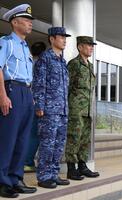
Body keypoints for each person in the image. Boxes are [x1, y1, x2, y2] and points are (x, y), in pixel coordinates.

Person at [0, 4, 37, 198]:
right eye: (26, 20)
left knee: (22, 140)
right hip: (11, 90)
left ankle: (16, 178)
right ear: (15, 22)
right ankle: (2, 182)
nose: (30, 23)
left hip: (25, 93)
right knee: (8, 139)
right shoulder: (6, 42)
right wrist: (2, 95)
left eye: (31, 21)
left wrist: (30, 96)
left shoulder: (25, 47)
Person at [32, 27, 71, 188]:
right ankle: (44, 176)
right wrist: (39, 105)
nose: (64, 40)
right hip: (48, 109)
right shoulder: (45, 58)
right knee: (47, 143)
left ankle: (54, 173)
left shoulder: (62, 61)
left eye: (65, 37)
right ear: (52, 39)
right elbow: (39, 84)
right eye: (61, 37)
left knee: (59, 143)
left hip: (62, 110)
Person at [65, 36, 99, 180]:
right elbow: (67, 86)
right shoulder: (74, 64)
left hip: (88, 108)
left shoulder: (90, 65)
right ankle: (71, 169)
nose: (91, 47)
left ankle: (82, 166)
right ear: (80, 47)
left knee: (85, 138)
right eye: (88, 45)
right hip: (75, 108)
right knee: (74, 137)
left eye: (92, 45)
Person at [24, 42, 47, 173]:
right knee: (35, 135)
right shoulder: (40, 64)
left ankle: (27, 161)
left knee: (31, 134)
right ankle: (27, 161)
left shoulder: (30, 63)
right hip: (36, 104)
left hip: (29, 102)